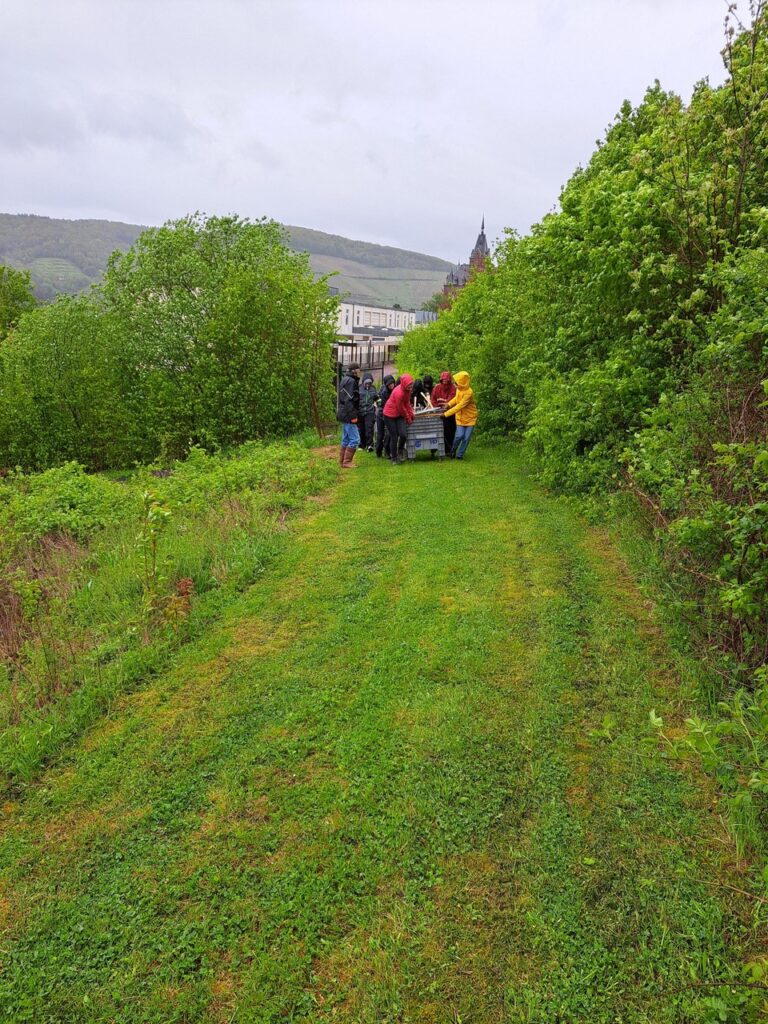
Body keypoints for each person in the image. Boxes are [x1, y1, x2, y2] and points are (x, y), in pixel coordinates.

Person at [442, 371, 477, 459]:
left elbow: (460, 406)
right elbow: (456, 399)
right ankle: (452, 451)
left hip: (470, 418)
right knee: (459, 436)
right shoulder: (459, 389)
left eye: (456, 382)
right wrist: (449, 404)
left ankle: (459, 455)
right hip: (460, 417)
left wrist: (446, 414)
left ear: (462, 383)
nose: (454, 384)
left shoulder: (469, 393)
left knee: (466, 438)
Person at [383, 373, 414, 464]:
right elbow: (401, 408)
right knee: (394, 436)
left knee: (403, 434)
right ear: (404, 384)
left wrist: (411, 414)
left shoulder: (407, 391)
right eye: (409, 385)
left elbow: (407, 403)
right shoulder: (399, 393)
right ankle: (394, 458)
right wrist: (408, 418)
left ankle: (400, 450)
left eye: (411, 384)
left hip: (398, 414)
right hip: (389, 415)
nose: (410, 386)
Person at [336, 363, 361, 468]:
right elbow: (349, 400)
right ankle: (347, 462)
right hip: (348, 413)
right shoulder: (351, 381)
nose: (359, 372)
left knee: (346, 438)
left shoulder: (344, 379)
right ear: (353, 371)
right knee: (355, 439)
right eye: (358, 370)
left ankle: (342, 461)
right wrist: (353, 416)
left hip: (343, 412)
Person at [431, 370, 457, 453]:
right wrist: (437, 409)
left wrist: (445, 409)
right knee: (438, 431)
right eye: (443, 380)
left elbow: (450, 402)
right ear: (441, 380)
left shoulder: (453, 388)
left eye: (447, 380)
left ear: (449, 380)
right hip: (438, 413)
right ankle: (438, 448)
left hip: (449, 414)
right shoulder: (437, 387)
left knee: (449, 432)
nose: (445, 382)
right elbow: (433, 400)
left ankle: (449, 450)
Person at [375, 374, 396, 458]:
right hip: (381, 414)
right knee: (380, 435)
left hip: (390, 414)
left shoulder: (395, 389)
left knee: (389, 434)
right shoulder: (384, 392)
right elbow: (384, 405)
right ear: (386, 385)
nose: (391, 385)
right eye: (389, 384)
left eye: (392, 383)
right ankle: (378, 452)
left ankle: (387, 452)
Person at [358, 373, 378, 452]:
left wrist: (379, 403)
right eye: (366, 383)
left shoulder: (373, 389)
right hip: (360, 412)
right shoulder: (359, 388)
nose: (368, 384)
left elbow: (376, 398)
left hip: (370, 412)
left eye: (369, 383)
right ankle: (361, 445)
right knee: (361, 429)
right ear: (363, 382)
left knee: (369, 428)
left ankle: (370, 445)